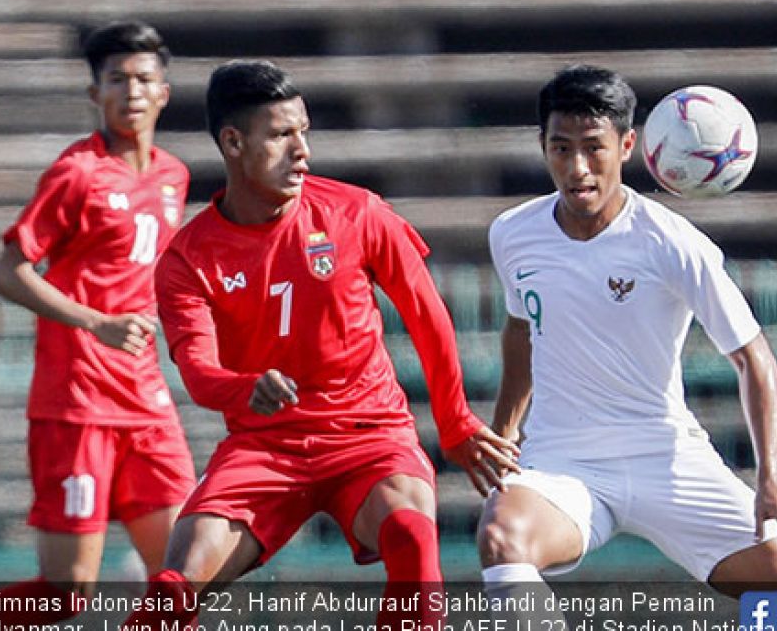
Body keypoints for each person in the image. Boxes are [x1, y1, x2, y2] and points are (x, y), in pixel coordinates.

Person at [122, 59, 520, 628]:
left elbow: (428, 314)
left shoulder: (355, 211)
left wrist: (454, 422)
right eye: (282, 134)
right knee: (173, 585)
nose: (302, 150)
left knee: (411, 534)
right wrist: (245, 387)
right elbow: (199, 370)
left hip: (369, 435)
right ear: (233, 142)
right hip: (264, 450)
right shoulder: (190, 257)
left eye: (304, 131)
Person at [478, 65, 777, 606]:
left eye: (594, 148)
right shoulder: (513, 234)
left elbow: (753, 357)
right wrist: (504, 433)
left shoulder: (671, 242)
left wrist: (773, 478)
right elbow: (522, 328)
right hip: (563, 461)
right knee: (503, 539)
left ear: (628, 145)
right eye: (560, 148)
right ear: (542, 145)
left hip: (666, 456)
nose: (577, 168)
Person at [0, 21, 196, 629]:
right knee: (67, 595)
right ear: (95, 94)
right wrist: (98, 323)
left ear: (164, 92)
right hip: (78, 404)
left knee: (185, 577)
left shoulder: (174, 176)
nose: (132, 91)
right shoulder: (77, 174)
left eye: (144, 78)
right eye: (116, 79)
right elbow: (9, 274)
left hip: (146, 403)